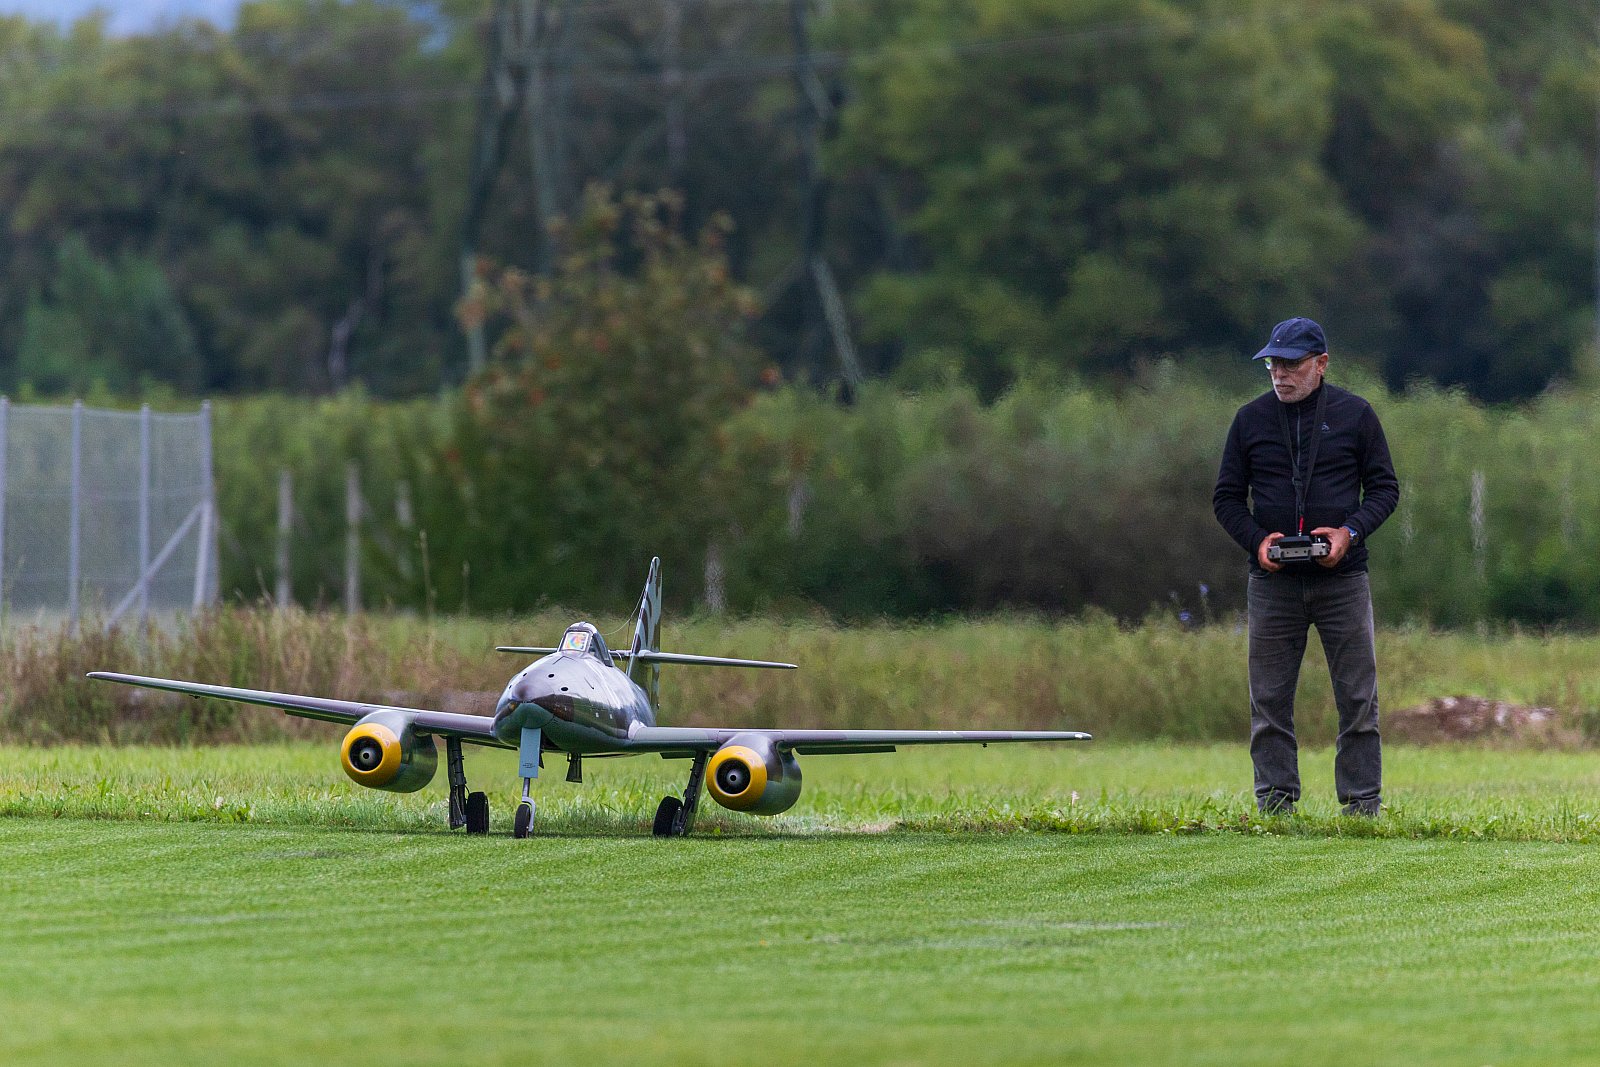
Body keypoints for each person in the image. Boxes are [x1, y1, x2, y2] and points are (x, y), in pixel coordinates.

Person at [1212, 317, 1399, 816]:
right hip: (1272, 584)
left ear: (1321, 364)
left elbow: (1385, 489)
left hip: (1343, 580)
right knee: (1268, 700)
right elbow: (1226, 498)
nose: (1280, 374)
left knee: (1358, 698)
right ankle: (1275, 806)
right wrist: (1258, 542)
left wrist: (1348, 533)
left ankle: (1362, 806)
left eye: (1291, 364)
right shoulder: (1249, 420)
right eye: (1273, 364)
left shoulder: (1357, 415)